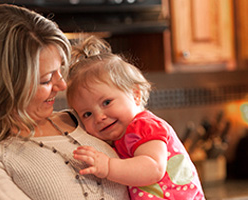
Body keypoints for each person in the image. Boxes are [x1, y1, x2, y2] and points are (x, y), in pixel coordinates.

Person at [0, 4, 130, 200]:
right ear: (1, 86)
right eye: (46, 80)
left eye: (60, 71)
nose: (61, 85)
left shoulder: (88, 121)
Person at [66, 36, 205, 200]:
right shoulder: (121, 137)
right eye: (87, 114)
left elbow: (153, 168)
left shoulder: (144, 125)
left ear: (136, 95)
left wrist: (108, 166)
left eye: (106, 102)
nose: (99, 117)